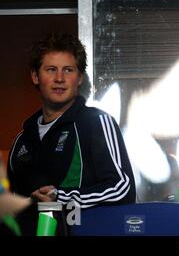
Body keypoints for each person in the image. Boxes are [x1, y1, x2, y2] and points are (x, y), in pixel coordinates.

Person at [7, 33, 136, 235]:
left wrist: (61, 197)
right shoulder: (21, 140)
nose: (59, 78)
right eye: (51, 70)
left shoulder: (95, 122)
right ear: (35, 76)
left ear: (79, 78)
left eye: (68, 70)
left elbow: (122, 188)